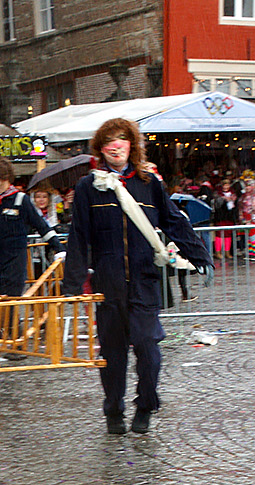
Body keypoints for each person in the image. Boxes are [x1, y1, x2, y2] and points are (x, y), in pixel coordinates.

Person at [62, 117, 210, 436]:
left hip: (144, 279)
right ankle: (114, 409)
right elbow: (79, 236)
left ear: (131, 144)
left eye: (121, 139)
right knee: (113, 354)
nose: (115, 146)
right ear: (101, 149)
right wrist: (72, 283)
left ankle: (145, 405)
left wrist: (200, 256)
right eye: (108, 141)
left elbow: (174, 221)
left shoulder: (148, 182)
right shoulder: (88, 187)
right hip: (108, 282)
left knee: (148, 347)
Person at [0, 156, 63, 356]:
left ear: (3, 177)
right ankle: (7, 341)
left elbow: (42, 226)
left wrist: (58, 247)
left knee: (11, 301)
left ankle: (16, 346)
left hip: (15, 258)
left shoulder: (20, 200)